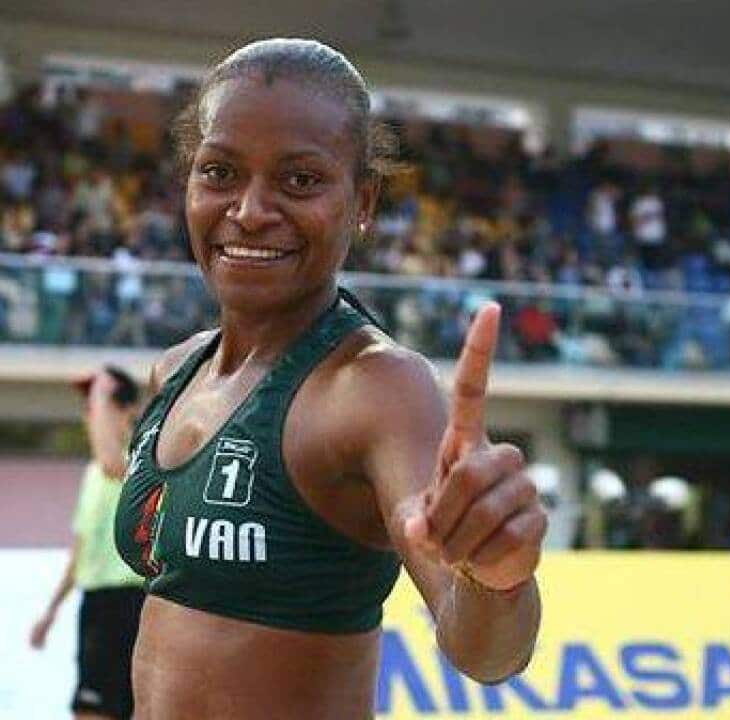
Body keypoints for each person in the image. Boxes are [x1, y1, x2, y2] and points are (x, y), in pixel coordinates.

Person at [112, 39, 546, 718]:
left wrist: (497, 578)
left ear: (363, 199)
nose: (251, 210)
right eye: (220, 171)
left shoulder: (376, 387)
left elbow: (487, 652)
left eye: (300, 180)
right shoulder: (175, 368)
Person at [30, 366, 144, 720]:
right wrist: (51, 610)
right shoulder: (92, 473)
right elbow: (80, 551)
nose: (89, 414)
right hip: (94, 604)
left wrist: (101, 392)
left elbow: (113, 461)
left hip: (129, 603)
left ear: (126, 411)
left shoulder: (140, 459)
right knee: (91, 709)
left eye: (98, 404)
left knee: (104, 709)